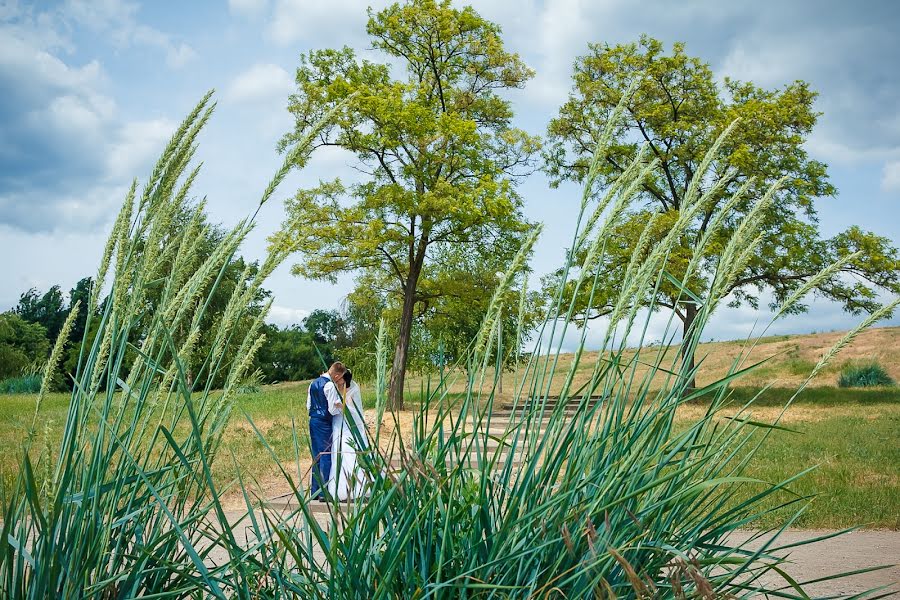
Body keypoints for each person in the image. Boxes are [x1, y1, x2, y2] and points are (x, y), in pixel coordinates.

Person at [327, 369, 371, 501]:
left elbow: (354, 411)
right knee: (338, 452)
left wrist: (342, 406)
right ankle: (340, 488)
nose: (338, 381)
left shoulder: (351, 390)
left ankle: (358, 487)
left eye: (340, 379)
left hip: (348, 425)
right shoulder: (335, 388)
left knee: (349, 451)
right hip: (338, 424)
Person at [307, 361, 346, 500]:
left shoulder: (313, 383)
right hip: (324, 422)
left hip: (313, 420)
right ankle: (324, 492)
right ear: (336, 375)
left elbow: (308, 405)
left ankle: (315, 491)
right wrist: (340, 407)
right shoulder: (329, 385)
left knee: (316, 455)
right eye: (340, 376)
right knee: (326, 455)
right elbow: (332, 409)